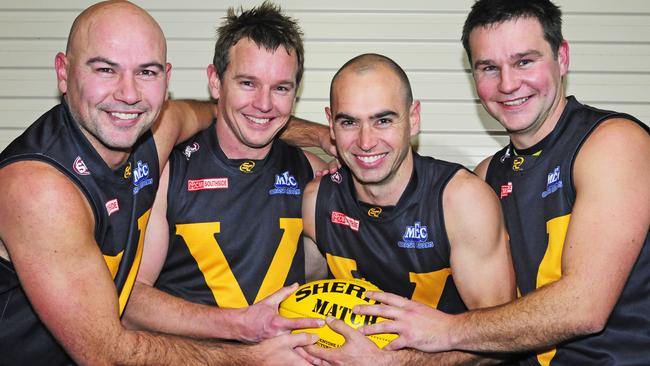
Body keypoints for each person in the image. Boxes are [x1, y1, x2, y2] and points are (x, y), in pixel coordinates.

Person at [0, 1, 326, 364]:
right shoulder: (38, 188)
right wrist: (251, 353)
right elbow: (106, 353)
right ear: (63, 72)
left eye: (147, 72)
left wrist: (326, 136)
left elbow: (226, 113)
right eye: (106, 69)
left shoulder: (153, 134)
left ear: (166, 79)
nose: (128, 94)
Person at [355, 1, 650, 365]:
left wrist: (445, 331)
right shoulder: (485, 177)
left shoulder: (612, 141)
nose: (508, 84)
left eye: (524, 61)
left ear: (562, 57)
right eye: (489, 68)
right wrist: (341, 150)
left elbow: (583, 307)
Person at [122, 2, 329, 343]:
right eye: (248, 83)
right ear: (216, 82)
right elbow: (131, 301)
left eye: (280, 88)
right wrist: (238, 325)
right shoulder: (169, 169)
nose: (264, 104)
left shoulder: (312, 172)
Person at [301, 53, 517, 365]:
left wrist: (393, 364)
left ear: (413, 118)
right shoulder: (316, 203)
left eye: (383, 120)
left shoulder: (461, 201)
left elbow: (501, 339)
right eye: (349, 122)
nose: (365, 141)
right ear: (331, 124)